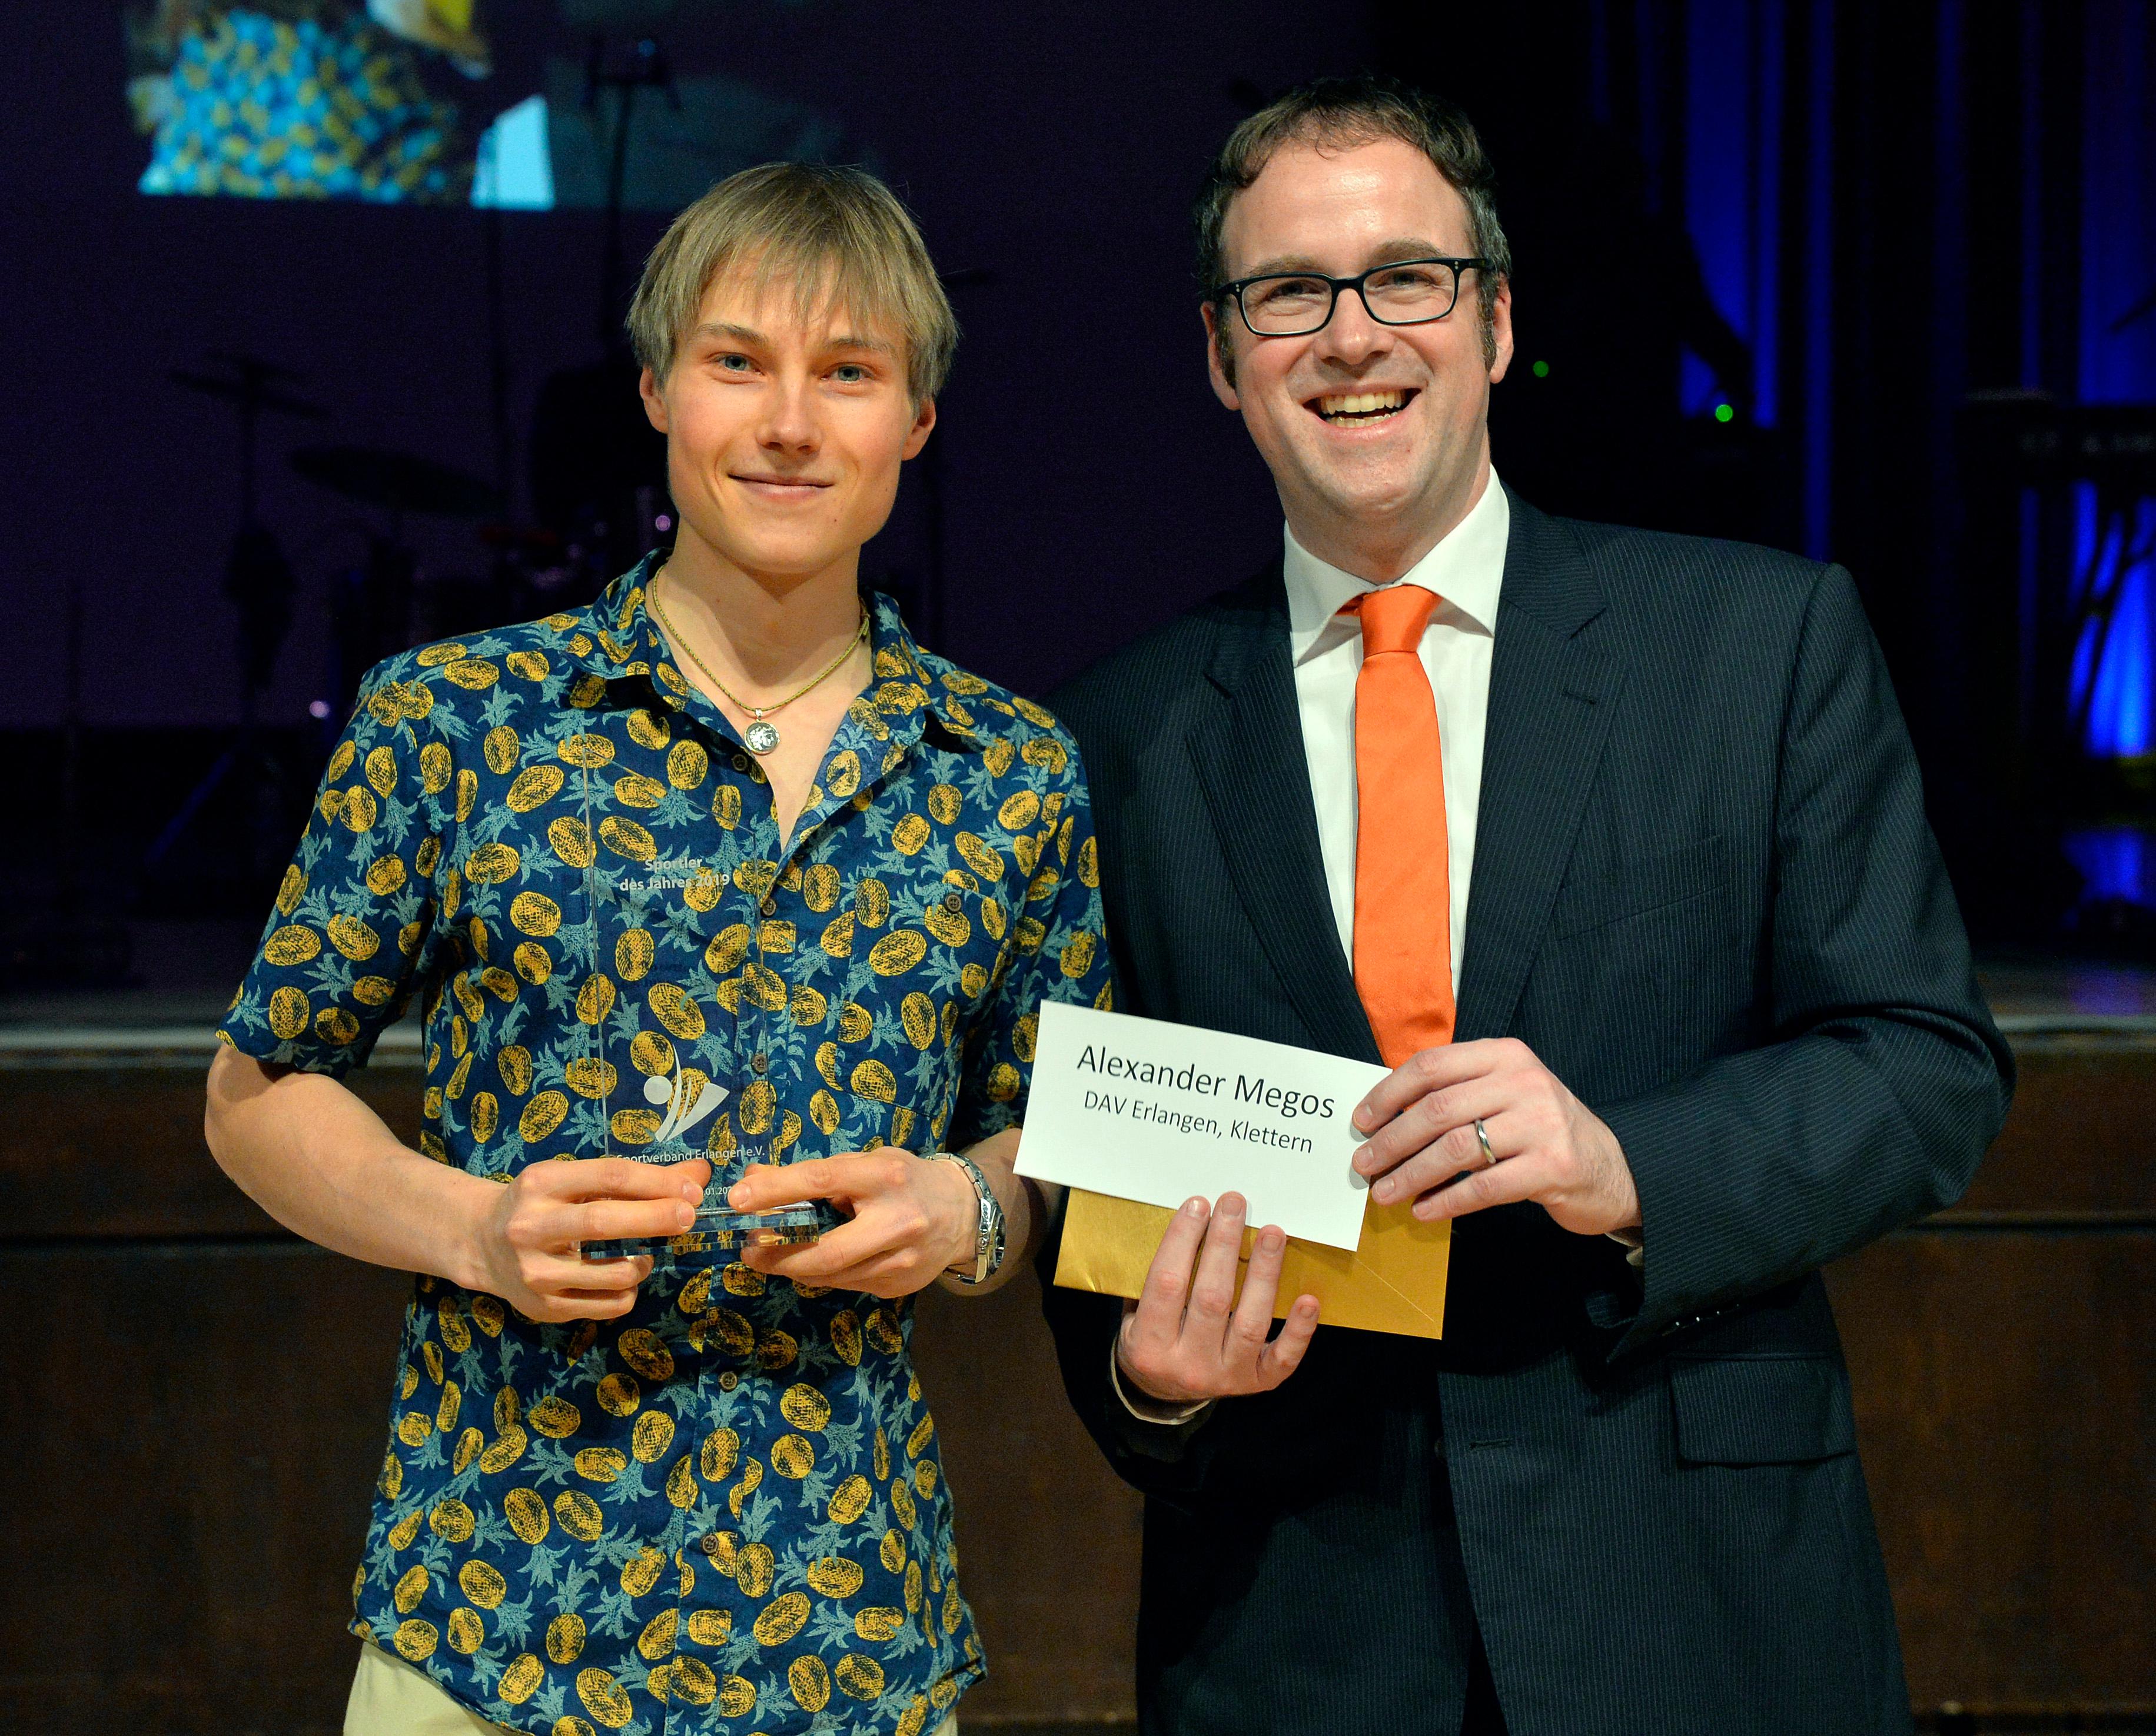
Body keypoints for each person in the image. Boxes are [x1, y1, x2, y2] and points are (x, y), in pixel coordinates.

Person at [1040, 75, 2012, 1736]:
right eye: (1288, 294)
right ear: (1221, 358)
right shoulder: (1112, 736)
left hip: (1692, 1599)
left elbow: (1925, 1066)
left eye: (1406, 278)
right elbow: (1090, 1186)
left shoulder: (1757, 645)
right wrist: (1153, 1384)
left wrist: (1625, 1162)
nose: (1351, 336)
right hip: (1298, 1630)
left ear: (1493, 324)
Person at [207, 161, 1111, 1736]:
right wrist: (472, 1228)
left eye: (849, 374)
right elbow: (256, 1090)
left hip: (849, 1620)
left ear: (918, 421)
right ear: (654, 393)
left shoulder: (1007, 769)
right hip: (490, 1616)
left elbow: (1067, 1130)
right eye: (737, 361)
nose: (788, 423)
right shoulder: (461, 721)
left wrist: (967, 1202)